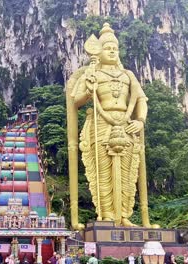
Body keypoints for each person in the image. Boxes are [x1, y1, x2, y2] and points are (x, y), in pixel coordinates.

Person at [67, 22, 152, 228]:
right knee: (102, 171)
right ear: (99, 51)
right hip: (100, 124)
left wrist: (140, 121)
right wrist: (89, 89)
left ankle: (124, 215)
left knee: (127, 173)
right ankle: (105, 215)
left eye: (115, 48)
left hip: (126, 125)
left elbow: (141, 99)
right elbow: (75, 100)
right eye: (108, 48)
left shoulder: (128, 75)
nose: (112, 51)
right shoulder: (92, 74)